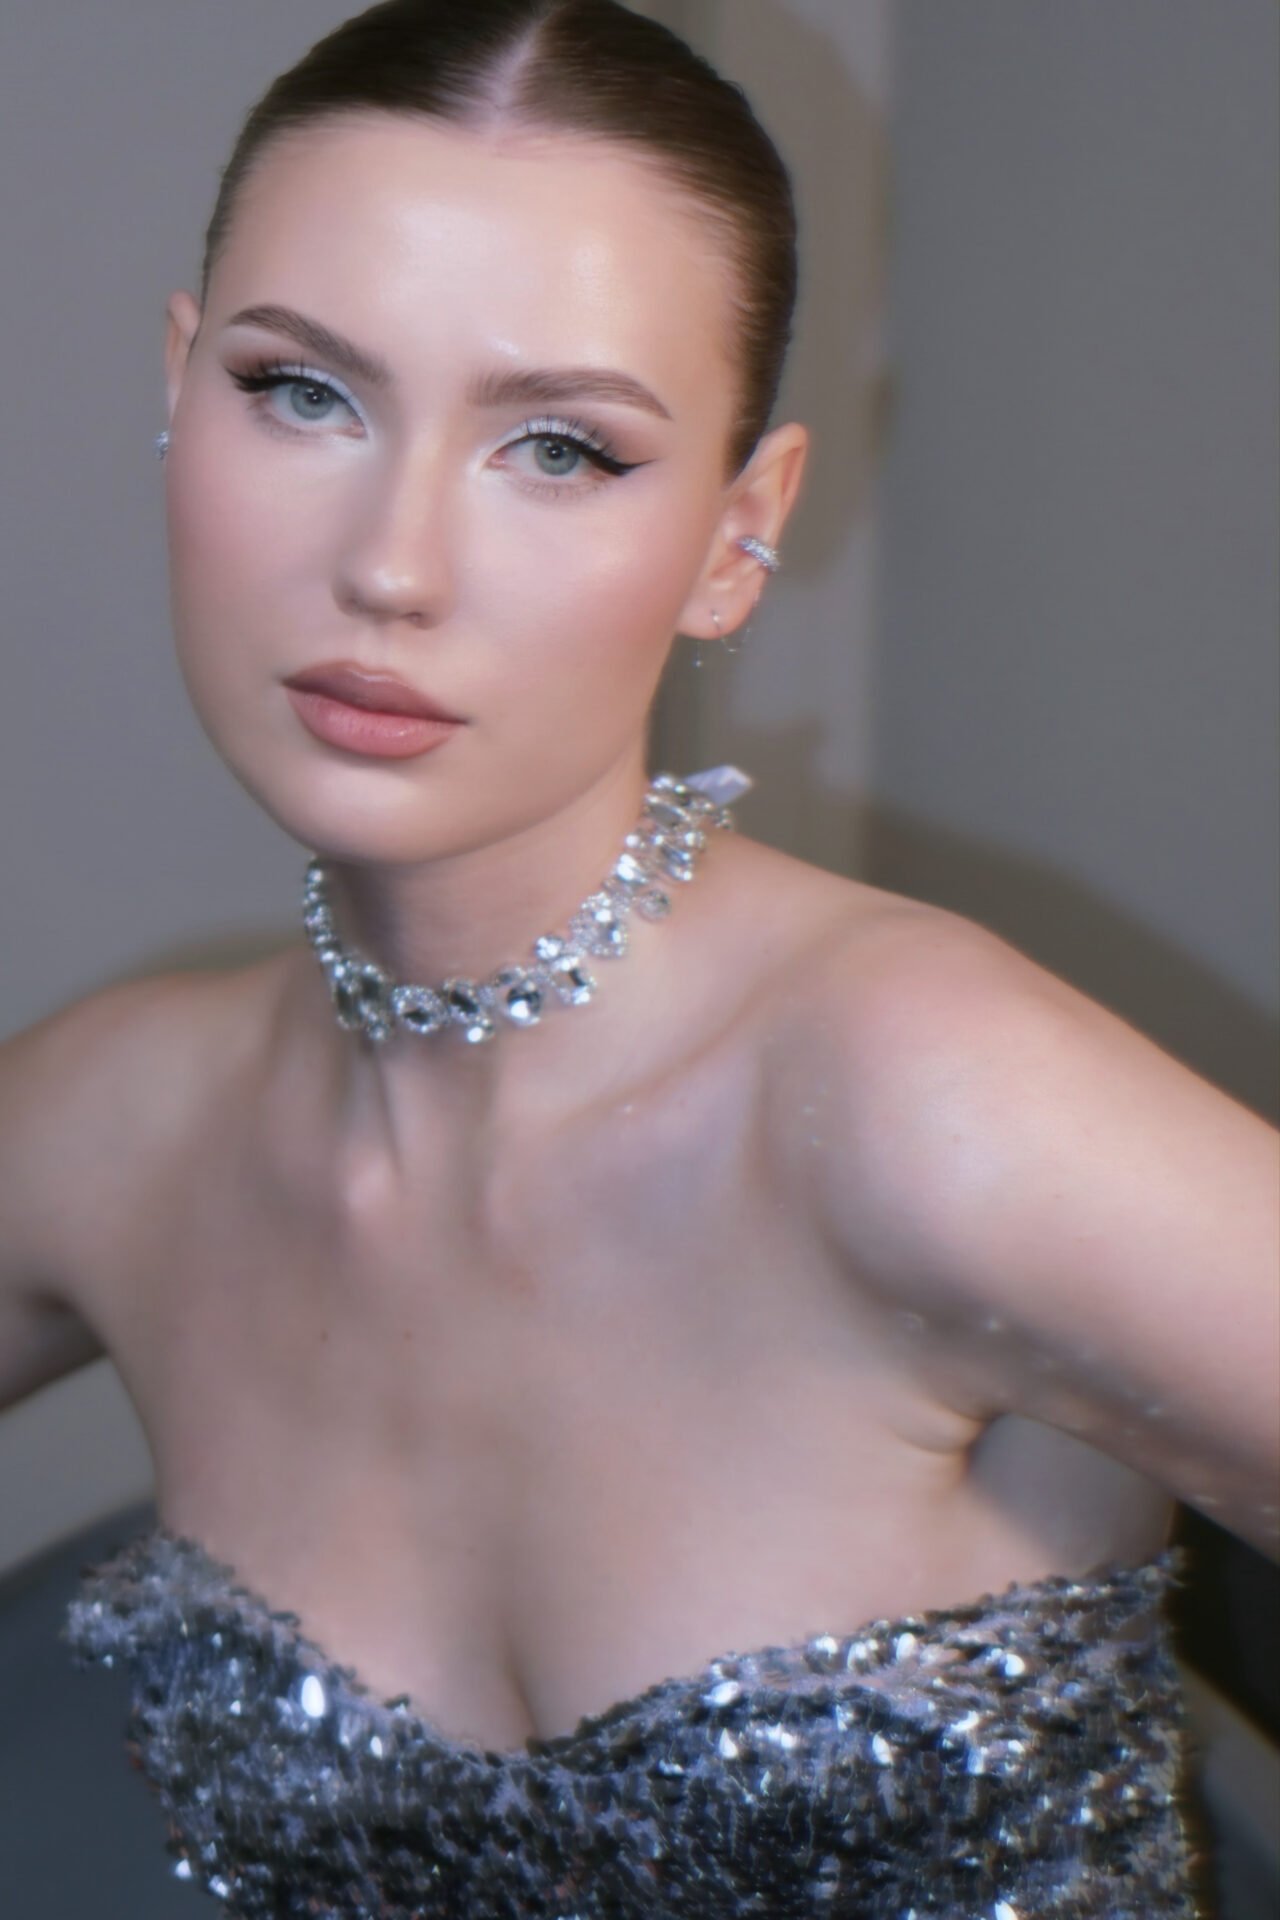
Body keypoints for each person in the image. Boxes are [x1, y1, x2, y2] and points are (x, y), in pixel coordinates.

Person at [0, 0, 1273, 1913]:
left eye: (561, 449)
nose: (393, 565)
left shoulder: (920, 1099)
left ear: (736, 540)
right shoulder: (116, 1125)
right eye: (304, 392)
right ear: (180, 388)